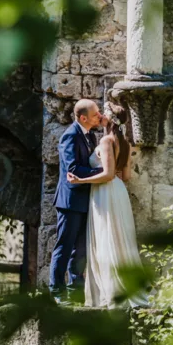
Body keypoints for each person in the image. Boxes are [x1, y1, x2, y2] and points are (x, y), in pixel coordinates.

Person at [66, 104, 147, 309]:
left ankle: (110, 291)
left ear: (109, 120)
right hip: (119, 192)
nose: (100, 116)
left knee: (105, 239)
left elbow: (108, 174)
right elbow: (125, 176)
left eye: (103, 114)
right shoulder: (125, 143)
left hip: (105, 191)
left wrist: (80, 181)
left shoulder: (105, 141)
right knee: (119, 239)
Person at [50, 98, 103, 305]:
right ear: (83, 118)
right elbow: (73, 169)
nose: (99, 116)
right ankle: (57, 292)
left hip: (85, 200)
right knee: (64, 246)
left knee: (80, 249)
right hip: (70, 201)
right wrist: (102, 172)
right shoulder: (70, 136)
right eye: (95, 114)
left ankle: (76, 292)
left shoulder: (89, 135)